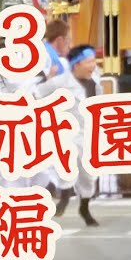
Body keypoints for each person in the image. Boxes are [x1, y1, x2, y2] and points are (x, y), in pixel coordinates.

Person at [36, 45, 102, 227]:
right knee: (66, 164)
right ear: (76, 64)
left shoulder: (95, 83)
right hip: (66, 132)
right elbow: (37, 93)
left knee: (89, 175)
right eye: (89, 62)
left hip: (88, 134)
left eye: (93, 62)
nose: (93, 66)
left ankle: (84, 207)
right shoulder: (60, 82)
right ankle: (64, 197)